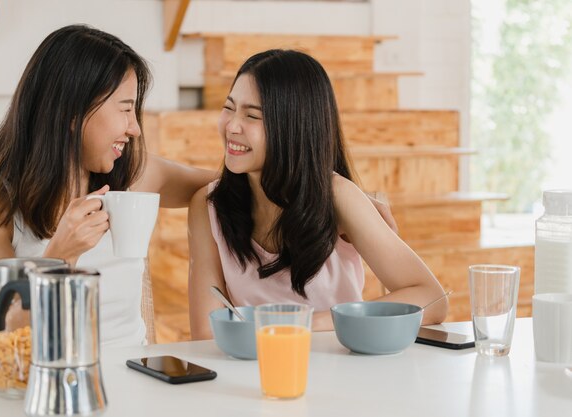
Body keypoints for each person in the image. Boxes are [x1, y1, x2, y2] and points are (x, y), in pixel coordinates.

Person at [0, 25, 215, 347]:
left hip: (138, 380)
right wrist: (60, 257)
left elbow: (228, 187)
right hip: (43, 383)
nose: (134, 128)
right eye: (125, 108)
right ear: (73, 112)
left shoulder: (133, 172)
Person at [187, 49, 448, 340]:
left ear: (293, 126)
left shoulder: (338, 198)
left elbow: (432, 298)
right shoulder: (208, 206)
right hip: (254, 372)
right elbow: (205, 333)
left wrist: (302, 325)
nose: (232, 126)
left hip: (340, 369)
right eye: (229, 108)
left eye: (251, 115)